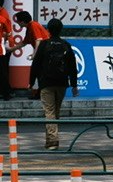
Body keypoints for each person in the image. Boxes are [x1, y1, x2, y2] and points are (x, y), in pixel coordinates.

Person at [29, 19, 78, 150]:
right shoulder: (66, 45)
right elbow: (73, 67)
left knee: (49, 111)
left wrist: (31, 82)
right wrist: (74, 85)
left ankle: (52, 141)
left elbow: (35, 64)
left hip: (46, 83)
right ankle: (50, 139)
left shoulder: (44, 44)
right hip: (62, 83)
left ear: (48, 30)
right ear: (61, 30)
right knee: (55, 111)